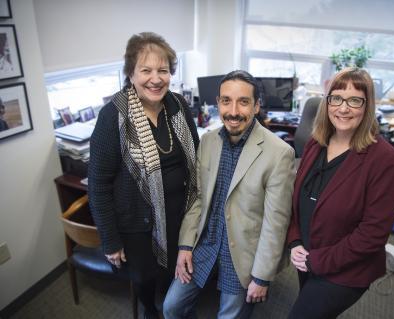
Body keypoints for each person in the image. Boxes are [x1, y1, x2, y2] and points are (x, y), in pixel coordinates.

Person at [163, 70, 295, 319]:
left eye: (243, 102)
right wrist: (185, 245)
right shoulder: (209, 141)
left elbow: (275, 223)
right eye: (226, 101)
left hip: (243, 254)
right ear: (218, 103)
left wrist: (261, 277)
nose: (233, 111)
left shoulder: (279, 154)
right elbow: (197, 199)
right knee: (171, 308)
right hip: (206, 243)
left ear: (256, 106)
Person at [88, 32, 199, 319]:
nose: (156, 78)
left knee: (174, 267)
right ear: (130, 74)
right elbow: (98, 185)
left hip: (180, 213)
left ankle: (173, 304)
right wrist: (110, 241)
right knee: (144, 276)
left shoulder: (178, 105)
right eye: (146, 70)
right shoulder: (113, 116)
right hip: (137, 223)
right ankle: (150, 309)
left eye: (163, 70)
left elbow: (196, 155)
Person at [286, 67, 394, 319]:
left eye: (354, 100)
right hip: (306, 255)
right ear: (327, 102)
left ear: (367, 105)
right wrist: (295, 240)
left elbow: (372, 235)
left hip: (345, 271)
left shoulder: (386, 161)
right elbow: (299, 200)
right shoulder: (315, 143)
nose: (343, 108)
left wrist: (317, 261)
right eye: (336, 98)